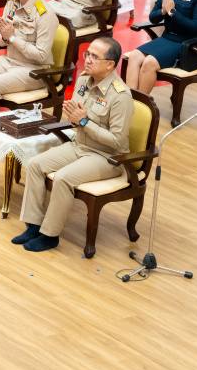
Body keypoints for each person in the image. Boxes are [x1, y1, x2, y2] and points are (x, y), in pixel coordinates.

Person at [13, 37, 132, 252]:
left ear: (110, 64)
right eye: (87, 54)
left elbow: (118, 141)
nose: (88, 59)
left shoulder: (120, 96)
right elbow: (75, 117)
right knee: (35, 165)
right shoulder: (83, 81)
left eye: (95, 56)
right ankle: (33, 226)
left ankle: (50, 235)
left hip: (106, 157)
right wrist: (76, 119)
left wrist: (84, 122)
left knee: (63, 178)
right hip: (79, 146)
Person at [124, 0, 197, 92]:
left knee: (149, 62)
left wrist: (172, 12)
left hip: (186, 43)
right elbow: (153, 18)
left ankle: (144, 105)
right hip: (166, 38)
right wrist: (162, 11)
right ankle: (130, 101)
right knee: (135, 56)